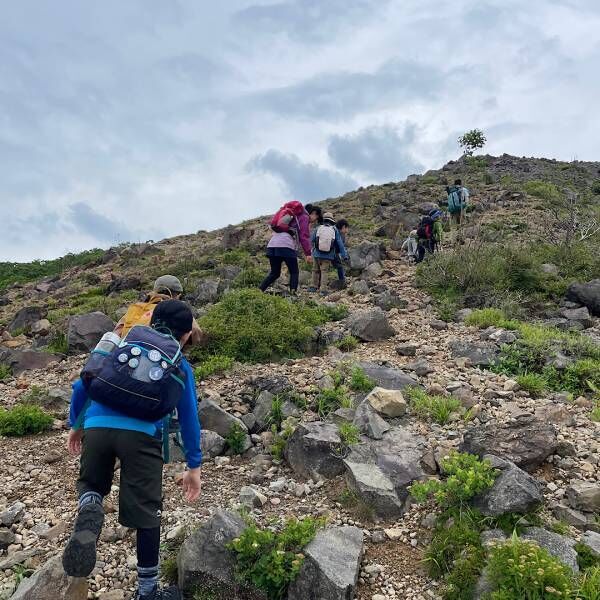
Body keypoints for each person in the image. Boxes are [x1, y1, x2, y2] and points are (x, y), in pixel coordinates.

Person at [62, 300, 202, 600]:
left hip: (97, 427)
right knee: (146, 513)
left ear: (151, 321)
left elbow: (81, 385)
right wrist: (194, 466)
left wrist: (77, 424)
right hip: (142, 436)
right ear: (187, 334)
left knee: (91, 484)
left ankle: (90, 505)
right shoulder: (180, 362)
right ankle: (148, 591)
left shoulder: (123, 343)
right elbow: (190, 416)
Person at [114, 275, 203, 346]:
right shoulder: (177, 310)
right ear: (176, 295)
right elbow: (197, 334)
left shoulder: (135, 308)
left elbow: (116, 333)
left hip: (125, 356)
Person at [260, 201, 312, 294]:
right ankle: (293, 295)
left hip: (272, 244)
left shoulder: (287, 214)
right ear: (313, 213)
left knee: (274, 273)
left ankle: (258, 291)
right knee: (294, 272)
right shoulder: (304, 217)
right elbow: (303, 236)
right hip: (286, 245)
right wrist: (308, 253)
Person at [309, 212, 348, 295]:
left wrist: (310, 251)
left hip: (317, 254)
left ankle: (313, 287)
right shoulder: (334, 230)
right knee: (324, 271)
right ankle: (323, 290)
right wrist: (344, 255)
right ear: (331, 220)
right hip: (328, 255)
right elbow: (340, 243)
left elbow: (312, 240)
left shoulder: (318, 228)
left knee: (315, 270)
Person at [333, 218, 350, 285]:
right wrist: (345, 256)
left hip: (322, 252)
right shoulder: (337, 233)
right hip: (332, 253)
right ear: (343, 227)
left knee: (322, 270)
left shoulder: (333, 230)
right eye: (346, 228)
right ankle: (342, 281)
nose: (347, 230)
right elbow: (341, 245)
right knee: (339, 266)